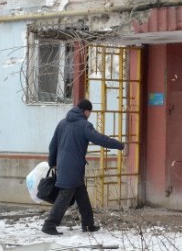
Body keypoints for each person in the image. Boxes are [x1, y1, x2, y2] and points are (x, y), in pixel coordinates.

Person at [42, 99, 124, 236]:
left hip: (64, 165)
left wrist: (52, 162)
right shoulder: (84, 125)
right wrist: (119, 145)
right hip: (73, 167)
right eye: (90, 112)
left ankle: (88, 224)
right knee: (65, 196)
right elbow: (99, 139)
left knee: (81, 195)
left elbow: (53, 145)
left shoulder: (62, 123)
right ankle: (49, 225)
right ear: (86, 111)